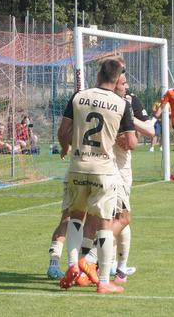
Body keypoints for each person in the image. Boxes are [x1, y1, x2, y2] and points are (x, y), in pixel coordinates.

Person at [56, 55, 137, 294]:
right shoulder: (123, 104)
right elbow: (131, 141)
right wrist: (122, 138)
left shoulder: (79, 97)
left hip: (78, 166)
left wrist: (64, 147)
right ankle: (102, 280)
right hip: (104, 170)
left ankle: (72, 266)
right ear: (117, 78)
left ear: (100, 75)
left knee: (76, 217)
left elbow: (63, 131)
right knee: (104, 223)